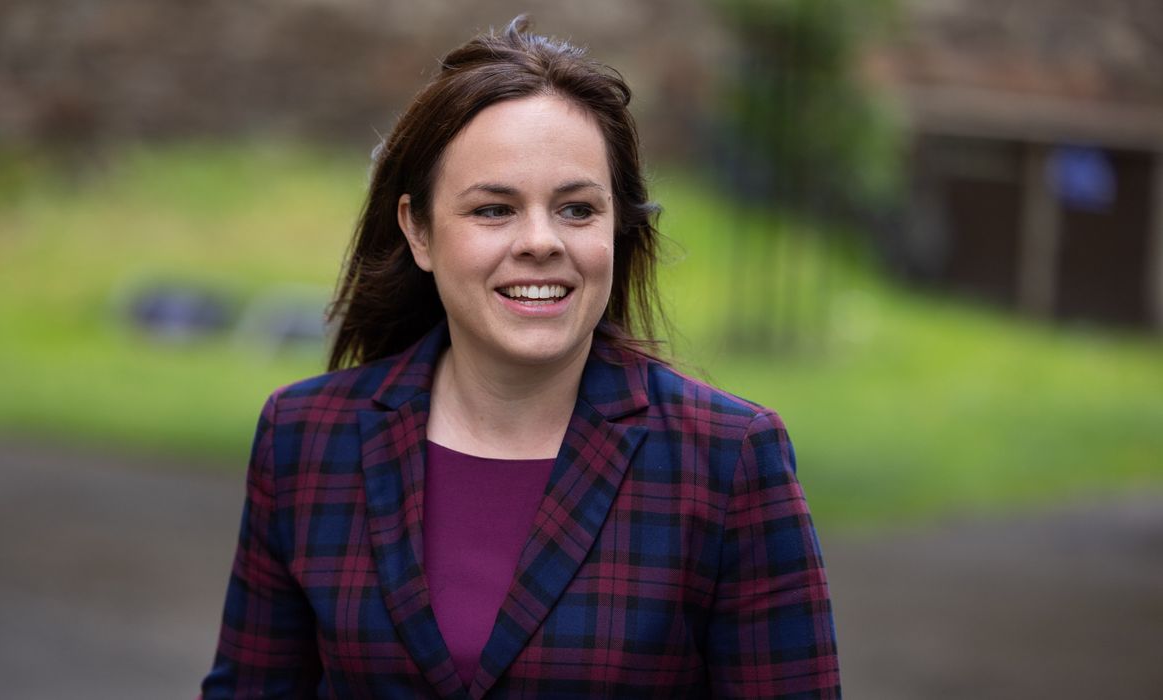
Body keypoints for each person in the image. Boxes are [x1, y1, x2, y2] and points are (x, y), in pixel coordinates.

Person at [202, 16, 839, 699]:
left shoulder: (727, 460)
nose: (540, 241)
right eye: (493, 210)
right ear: (417, 230)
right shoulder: (305, 439)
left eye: (575, 210)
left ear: (617, 230)